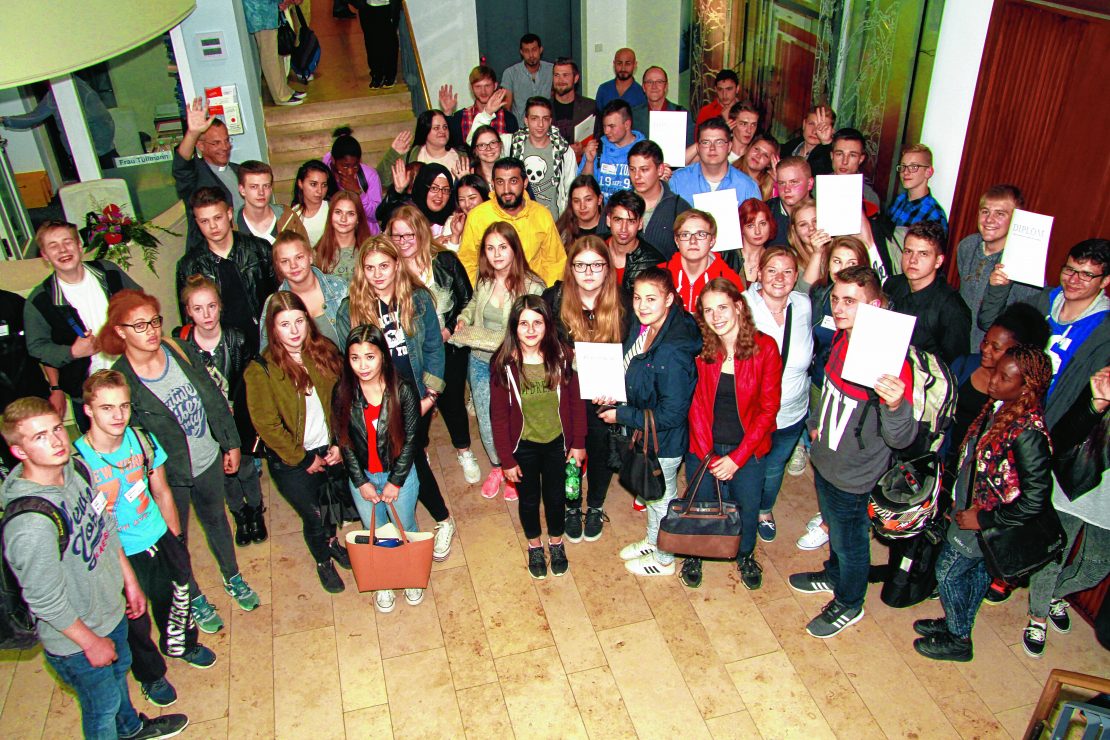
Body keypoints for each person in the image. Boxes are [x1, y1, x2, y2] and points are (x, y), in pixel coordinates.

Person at [0, 397, 189, 740]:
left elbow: (106, 526)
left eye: (56, 429)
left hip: (109, 611)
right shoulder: (30, 524)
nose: (56, 441)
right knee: (101, 709)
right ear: (19, 451)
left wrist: (129, 581)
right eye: (40, 437)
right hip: (76, 638)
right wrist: (90, 642)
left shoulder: (75, 470)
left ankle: (130, 729)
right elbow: (44, 600)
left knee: (118, 681)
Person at [102, 290, 259, 634]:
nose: (151, 331)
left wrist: (230, 442)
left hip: (207, 459)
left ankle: (233, 576)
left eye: (154, 321)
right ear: (120, 331)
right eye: (140, 325)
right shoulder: (122, 381)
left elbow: (213, 398)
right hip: (167, 477)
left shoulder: (179, 349)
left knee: (217, 520)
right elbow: (126, 439)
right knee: (176, 538)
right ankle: (193, 596)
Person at [789, 265, 916, 638]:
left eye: (850, 301)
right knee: (834, 527)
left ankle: (849, 601)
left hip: (856, 472)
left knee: (851, 541)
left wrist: (896, 405)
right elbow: (828, 389)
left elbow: (902, 437)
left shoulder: (891, 361)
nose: (838, 308)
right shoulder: (842, 339)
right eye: (835, 299)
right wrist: (815, 422)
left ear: (874, 306)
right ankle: (834, 575)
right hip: (827, 457)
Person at [74, 371, 214, 706]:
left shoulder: (142, 440)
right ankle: (151, 675)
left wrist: (176, 539)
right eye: (107, 408)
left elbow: (161, 491)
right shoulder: (77, 464)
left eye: (123, 406)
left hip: (158, 535)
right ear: (89, 410)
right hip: (118, 553)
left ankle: (182, 643)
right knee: (135, 620)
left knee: (175, 596)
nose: (118, 415)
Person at [913, 346, 1054, 662]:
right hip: (970, 511)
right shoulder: (1002, 406)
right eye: (997, 372)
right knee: (976, 573)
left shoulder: (1028, 432)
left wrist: (984, 519)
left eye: (1005, 377)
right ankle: (957, 624)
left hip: (986, 524)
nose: (993, 381)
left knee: (948, 574)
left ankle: (959, 639)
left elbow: (1035, 500)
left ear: (1026, 388)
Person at [335, 238, 457, 561]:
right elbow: (349, 362)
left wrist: (431, 395)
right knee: (406, 458)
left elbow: (434, 347)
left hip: (415, 396)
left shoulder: (418, 299)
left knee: (410, 455)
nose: (377, 274)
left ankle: (442, 519)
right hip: (376, 403)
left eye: (384, 266)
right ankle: (435, 519)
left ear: (397, 265)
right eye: (369, 267)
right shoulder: (349, 309)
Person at [244, 291, 351, 593]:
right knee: (314, 515)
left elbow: (343, 399)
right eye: (284, 324)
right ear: (272, 328)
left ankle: (332, 542)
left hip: (329, 449)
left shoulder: (324, 351)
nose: (294, 331)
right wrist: (303, 458)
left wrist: (339, 443)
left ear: (308, 320)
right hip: (291, 461)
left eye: (299, 321)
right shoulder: (261, 370)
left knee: (331, 505)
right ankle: (323, 561)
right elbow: (267, 425)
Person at [600, 268, 700, 578]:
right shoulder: (646, 326)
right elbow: (636, 373)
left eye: (651, 299)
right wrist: (611, 392)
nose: (642, 306)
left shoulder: (673, 351)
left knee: (662, 500)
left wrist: (621, 415)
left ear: (669, 299)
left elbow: (672, 414)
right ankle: (653, 541)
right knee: (653, 495)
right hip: (645, 433)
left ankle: (665, 558)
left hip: (664, 442)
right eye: (638, 298)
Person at [684, 278, 782, 589]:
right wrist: (708, 454)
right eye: (708, 310)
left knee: (746, 508)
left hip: (749, 448)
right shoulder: (699, 348)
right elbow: (694, 404)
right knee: (700, 505)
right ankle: (695, 553)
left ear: (739, 307)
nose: (716, 317)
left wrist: (737, 458)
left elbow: (768, 409)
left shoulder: (765, 348)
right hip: (705, 444)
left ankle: (745, 555)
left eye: (722, 307)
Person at [490, 295, 587, 579]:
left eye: (537, 322)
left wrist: (579, 442)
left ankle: (556, 542)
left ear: (548, 325)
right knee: (529, 500)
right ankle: (534, 545)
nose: (531, 330)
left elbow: (576, 402)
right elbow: (499, 417)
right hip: (524, 447)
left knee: (556, 498)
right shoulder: (503, 364)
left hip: (558, 444)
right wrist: (506, 459)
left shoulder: (563, 357)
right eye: (524, 323)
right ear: (514, 327)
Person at [543, 237, 630, 542]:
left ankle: (595, 505)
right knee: (570, 451)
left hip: (605, 392)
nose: (589, 272)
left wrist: (618, 386)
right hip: (566, 390)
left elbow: (633, 351)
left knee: (602, 449)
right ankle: (571, 505)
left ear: (608, 268)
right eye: (580, 265)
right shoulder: (554, 298)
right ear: (570, 269)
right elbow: (539, 342)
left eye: (596, 265)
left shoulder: (623, 301)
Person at [332, 324, 425, 612]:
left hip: (400, 476)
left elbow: (412, 439)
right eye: (355, 358)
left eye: (369, 357)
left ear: (383, 355)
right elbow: (344, 441)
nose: (363, 366)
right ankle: (384, 578)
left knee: (404, 526)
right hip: (363, 477)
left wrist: (395, 481)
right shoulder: (343, 392)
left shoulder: (402, 390)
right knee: (375, 531)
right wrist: (360, 482)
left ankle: (409, 574)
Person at [386, 205, 478, 483]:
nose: (403, 242)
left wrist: (448, 329)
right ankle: (422, 448)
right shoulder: (389, 269)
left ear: (422, 233)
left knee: (452, 401)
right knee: (417, 401)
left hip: (449, 346)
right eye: (397, 236)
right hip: (411, 351)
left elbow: (466, 298)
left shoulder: (445, 260)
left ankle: (464, 450)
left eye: (409, 235)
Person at [174, 274, 267, 547]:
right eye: (198, 308)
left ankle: (256, 510)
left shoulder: (237, 338)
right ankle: (239, 513)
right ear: (188, 311)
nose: (206, 315)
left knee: (246, 468)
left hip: (237, 419)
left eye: (211, 306)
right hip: (207, 423)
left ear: (220, 306)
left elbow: (249, 381)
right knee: (224, 473)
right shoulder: (182, 344)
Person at [1024, 364, 1110, 657]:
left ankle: (1053, 595)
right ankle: (1037, 615)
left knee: (1094, 570)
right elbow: (1061, 435)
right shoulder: (1103, 376)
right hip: (1075, 482)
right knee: (1053, 556)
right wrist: (1096, 405)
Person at [456, 222, 546, 500]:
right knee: (487, 418)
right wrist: (464, 318)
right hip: (481, 360)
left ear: (514, 249)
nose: (496, 254)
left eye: (502, 247)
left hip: (515, 363)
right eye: (490, 248)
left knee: (517, 418)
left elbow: (539, 325)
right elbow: (473, 303)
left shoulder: (533, 285)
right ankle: (498, 466)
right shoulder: (484, 280)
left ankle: (515, 469)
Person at [23, 220, 140, 432]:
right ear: (45, 256)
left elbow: (141, 305)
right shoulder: (40, 300)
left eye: (67, 242)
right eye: (53, 246)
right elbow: (37, 347)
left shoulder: (109, 272)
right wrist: (72, 352)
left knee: (151, 442)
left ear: (79, 246)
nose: (63, 250)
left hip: (136, 379)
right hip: (89, 392)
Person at [979, 238, 1110, 411]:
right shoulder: (1043, 301)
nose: (1073, 280)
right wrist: (998, 289)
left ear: (1105, 281)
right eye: (1070, 270)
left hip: (1049, 419)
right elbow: (988, 323)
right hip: (1006, 411)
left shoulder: (1103, 332)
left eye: (1086, 275)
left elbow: (1085, 396)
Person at [743, 247, 813, 542]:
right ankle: (739, 511)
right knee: (745, 466)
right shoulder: (742, 305)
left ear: (796, 277)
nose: (779, 278)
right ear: (759, 273)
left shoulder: (804, 305)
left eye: (787, 271)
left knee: (773, 469)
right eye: (772, 270)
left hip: (791, 412)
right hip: (750, 411)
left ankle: (764, 511)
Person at [944, 305, 1051, 491]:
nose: (985, 349)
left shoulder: (1023, 397)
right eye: (985, 341)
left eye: (996, 347)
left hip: (977, 480)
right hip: (946, 462)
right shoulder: (964, 365)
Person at [175, 187, 275, 352]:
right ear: (197, 222)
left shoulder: (259, 250)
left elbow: (279, 298)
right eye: (204, 221)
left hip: (267, 343)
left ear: (229, 213)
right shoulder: (190, 266)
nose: (213, 226)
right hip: (225, 352)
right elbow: (190, 320)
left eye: (217, 217)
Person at [458, 157, 566, 286]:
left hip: (534, 293)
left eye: (513, 181)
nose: (506, 189)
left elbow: (555, 262)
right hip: (492, 292)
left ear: (525, 183)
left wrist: (547, 293)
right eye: (500, 182)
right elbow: (467, 263)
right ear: (493, 184)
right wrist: (479, 294)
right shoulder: (478, 216)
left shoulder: (541, 214)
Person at [954, 184, 1037, 349]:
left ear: (1016, 220)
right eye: (985, 211)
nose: (989, 220)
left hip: (994, 351)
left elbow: (1025, 322)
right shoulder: (967, 246)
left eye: (1000, 214)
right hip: (959, 343)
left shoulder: (1025, 262)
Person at [883, 220, 971, 365]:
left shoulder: (951, 308)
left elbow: (957, 365)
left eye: (923, 254)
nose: (912, 260)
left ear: (938, 261)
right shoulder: (892, 285)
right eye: (908, 251)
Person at [0, 76, 117, 169]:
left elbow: (33, 118)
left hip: (88, 154)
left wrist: (4, 120)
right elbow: (104, 119)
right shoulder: (79, 84)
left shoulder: (60, 91)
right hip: (105, 149)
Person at [173, 98, 242, 250]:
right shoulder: (196, 175)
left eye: (226, 140)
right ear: (201, 146)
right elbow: (181, 165)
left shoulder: (239, 170)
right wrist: (192, 134)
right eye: (216, 143)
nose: (225, 147)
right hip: (209, 254)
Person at [261, 231, 349, 349]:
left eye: (299, 257)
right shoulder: (273, 303)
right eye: (285, 261)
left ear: (310, 257)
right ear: (277, 265)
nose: (293, 265)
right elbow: (267, 352)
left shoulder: (340, 288)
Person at [502, 96, 577, 220]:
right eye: (534, 118)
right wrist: (487, 114)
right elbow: (476, 142)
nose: (540, 124)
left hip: (553, 223)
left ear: (550, 121)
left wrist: (566, 222)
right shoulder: (511, 143)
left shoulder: (563, 150)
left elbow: (571, 189)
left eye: (545, 119)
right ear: (526, 120)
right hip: (519, 221)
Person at [0, 289, 50, 471]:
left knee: (47, 452)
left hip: (32, 397)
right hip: (2, 414)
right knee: (15, 467)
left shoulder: (14, 304)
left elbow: (42, 345)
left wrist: (56, 388)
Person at [668, 117, 761, 210]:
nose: (712, 148)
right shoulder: (677, 181)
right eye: (706, 142)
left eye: (719, 142)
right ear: (698, 148)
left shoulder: (748, 188)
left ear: (729, 147)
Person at [661, 209, 746, 310]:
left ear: (712, 240)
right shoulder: (659, 275)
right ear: (676, 241)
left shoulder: (730, 280)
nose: (693, 241)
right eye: (685, 235)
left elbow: (743, 317)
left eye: (701, 234)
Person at [627, 140, 690, 259]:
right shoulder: (618, 204)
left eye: (644, 169)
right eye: (632, 169)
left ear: (660, 169)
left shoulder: (679, 208)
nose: (637, 176)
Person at [579, 100, 645, 202]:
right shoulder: (597, 147)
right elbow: (583, 189)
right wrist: (589, 162)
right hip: (602, 210)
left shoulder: (644, 150)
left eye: (611, 126)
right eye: (604, 126)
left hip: (631, 210)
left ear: (627, 125)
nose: (606, 131)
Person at [243, 0, 305, 106]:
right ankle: (280, 96)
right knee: (269, 55)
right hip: (261, 13)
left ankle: (284, 90)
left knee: (276, 54)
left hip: (267, 11)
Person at [439, 65, 519, 147]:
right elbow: (448, 147)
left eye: (487, 86)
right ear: (471, 88)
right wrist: (447, 113)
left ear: (495, 86)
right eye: (478, 86)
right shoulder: (460, 117)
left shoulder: (508, 118)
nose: (483, 91)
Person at [324, 127, 384, 232]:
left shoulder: (370, 175)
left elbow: (376, 215)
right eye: (345, 166)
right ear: (333, 160)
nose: (350, 172)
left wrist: (358, 192)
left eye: (355, 166)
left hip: (366, 236)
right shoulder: (324, 175)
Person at [604, 189, 666, 291]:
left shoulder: (653, 263)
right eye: (618, 220)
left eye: (631, 221)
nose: (624, 228)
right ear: (608, 220)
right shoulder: (593, 248)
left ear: (640, 224)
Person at [235, 160, 308, 244]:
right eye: (254, 187)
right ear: (242, 190)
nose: (261, 192)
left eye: (266, 186)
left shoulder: (288, 217)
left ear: (271, 188)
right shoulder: (232, 224)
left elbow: (306, 249)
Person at [377, 161, 457, 235]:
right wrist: (396, 191)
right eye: (434, 188)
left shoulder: (453, 214)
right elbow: (381, 215)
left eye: (446, 190)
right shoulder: (407, 212)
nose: (440, 195)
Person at [887, 143, 948, 235]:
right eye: (903, 166)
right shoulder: (899, 199)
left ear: (928, 172)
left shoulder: (934, 215)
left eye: (913, 167)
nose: (905, 172)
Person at [314, 190, 372, 284]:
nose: (343, 219)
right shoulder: (317, 253)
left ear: (358, 218)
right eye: (338, 212)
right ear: (330, 215)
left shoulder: (370, 250)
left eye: (350, 214)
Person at [629, 66, 694, 151]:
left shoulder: (682, 114)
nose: (654, 86)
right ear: (644, 87)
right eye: (649, 82)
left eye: (659, 82)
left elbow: (690, 147)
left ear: (666, 86)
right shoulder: (633, 115)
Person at [502, 34, 555, 122]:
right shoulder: (510, 73)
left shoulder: (552, 70)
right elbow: (507, 108)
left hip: (546, 125)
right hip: (520, 126)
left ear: (541, 50)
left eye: (534, 50)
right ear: (521, 52)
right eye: (526, 51)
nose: (531, 55)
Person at [766, 156, 814, 247]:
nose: (786, 189)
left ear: (809, 183)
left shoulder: (824, 214)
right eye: (781, 183)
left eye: (793, 182)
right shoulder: (765, 212)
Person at [290, 159, 338, 246]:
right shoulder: (292, 214)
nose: (319, 191)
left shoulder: (333, 209)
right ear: (300, 183)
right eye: (313, 184)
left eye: (324, 185)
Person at [830, 128, 881, 209]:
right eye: (839, 154)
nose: (845, 161)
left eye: (852, 155)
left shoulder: (868, 196)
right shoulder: (815, 188)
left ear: (861, 159)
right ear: (832, 155)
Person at [550, 57, 595, 148]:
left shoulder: (590, 108)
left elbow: (598, 141)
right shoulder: (544, 108)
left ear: (576, 78)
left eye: (565, 75)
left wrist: (583, 150)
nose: (560, 80)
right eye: (556, 75)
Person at [356, 0, 401, 88]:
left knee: (389, 42)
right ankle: (376, 74)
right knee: (371, 42)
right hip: (367, 8)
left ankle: (390, 74)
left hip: (387, 7)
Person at [732, 197, 778, 284]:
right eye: (750, 225)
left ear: (770, 224)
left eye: (762, 224)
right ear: (741, 228)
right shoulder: (728, 258)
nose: (757, 231)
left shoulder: (774, 260)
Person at [788, 198, 830, 288]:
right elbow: (807, 292)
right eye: (803, 224)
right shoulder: (790, 258)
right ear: (794, 230)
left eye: (815, 221)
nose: (811, 228)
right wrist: (817, 254)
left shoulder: (839, 248)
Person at [781, 105, 834, 175]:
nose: (815, 131)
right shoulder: (787, 148)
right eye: (811, 124)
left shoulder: (830, 158)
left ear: (831, 131)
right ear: (804, 124)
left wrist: (826, 142)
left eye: (822, 127)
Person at [442, 174, 490, 250]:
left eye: (472, 198)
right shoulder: (454, 222)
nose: (467, 204)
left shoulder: (495, 220)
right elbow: (447, 256)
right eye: (462, 199)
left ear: (484, 197)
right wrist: (455, 236)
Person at [555, 175, 605, 246]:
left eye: (588, 200)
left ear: (599, 200)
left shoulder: (611, 230)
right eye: (576, 201)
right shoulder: (561, 232)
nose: (582, 207)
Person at [737, 133, 779, 201]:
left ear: (769, 164)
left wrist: (779, 182)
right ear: (748, 148)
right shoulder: (727, 172)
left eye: (765, 155)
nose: (758, 156)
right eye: (756, 149)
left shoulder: (772, 190)